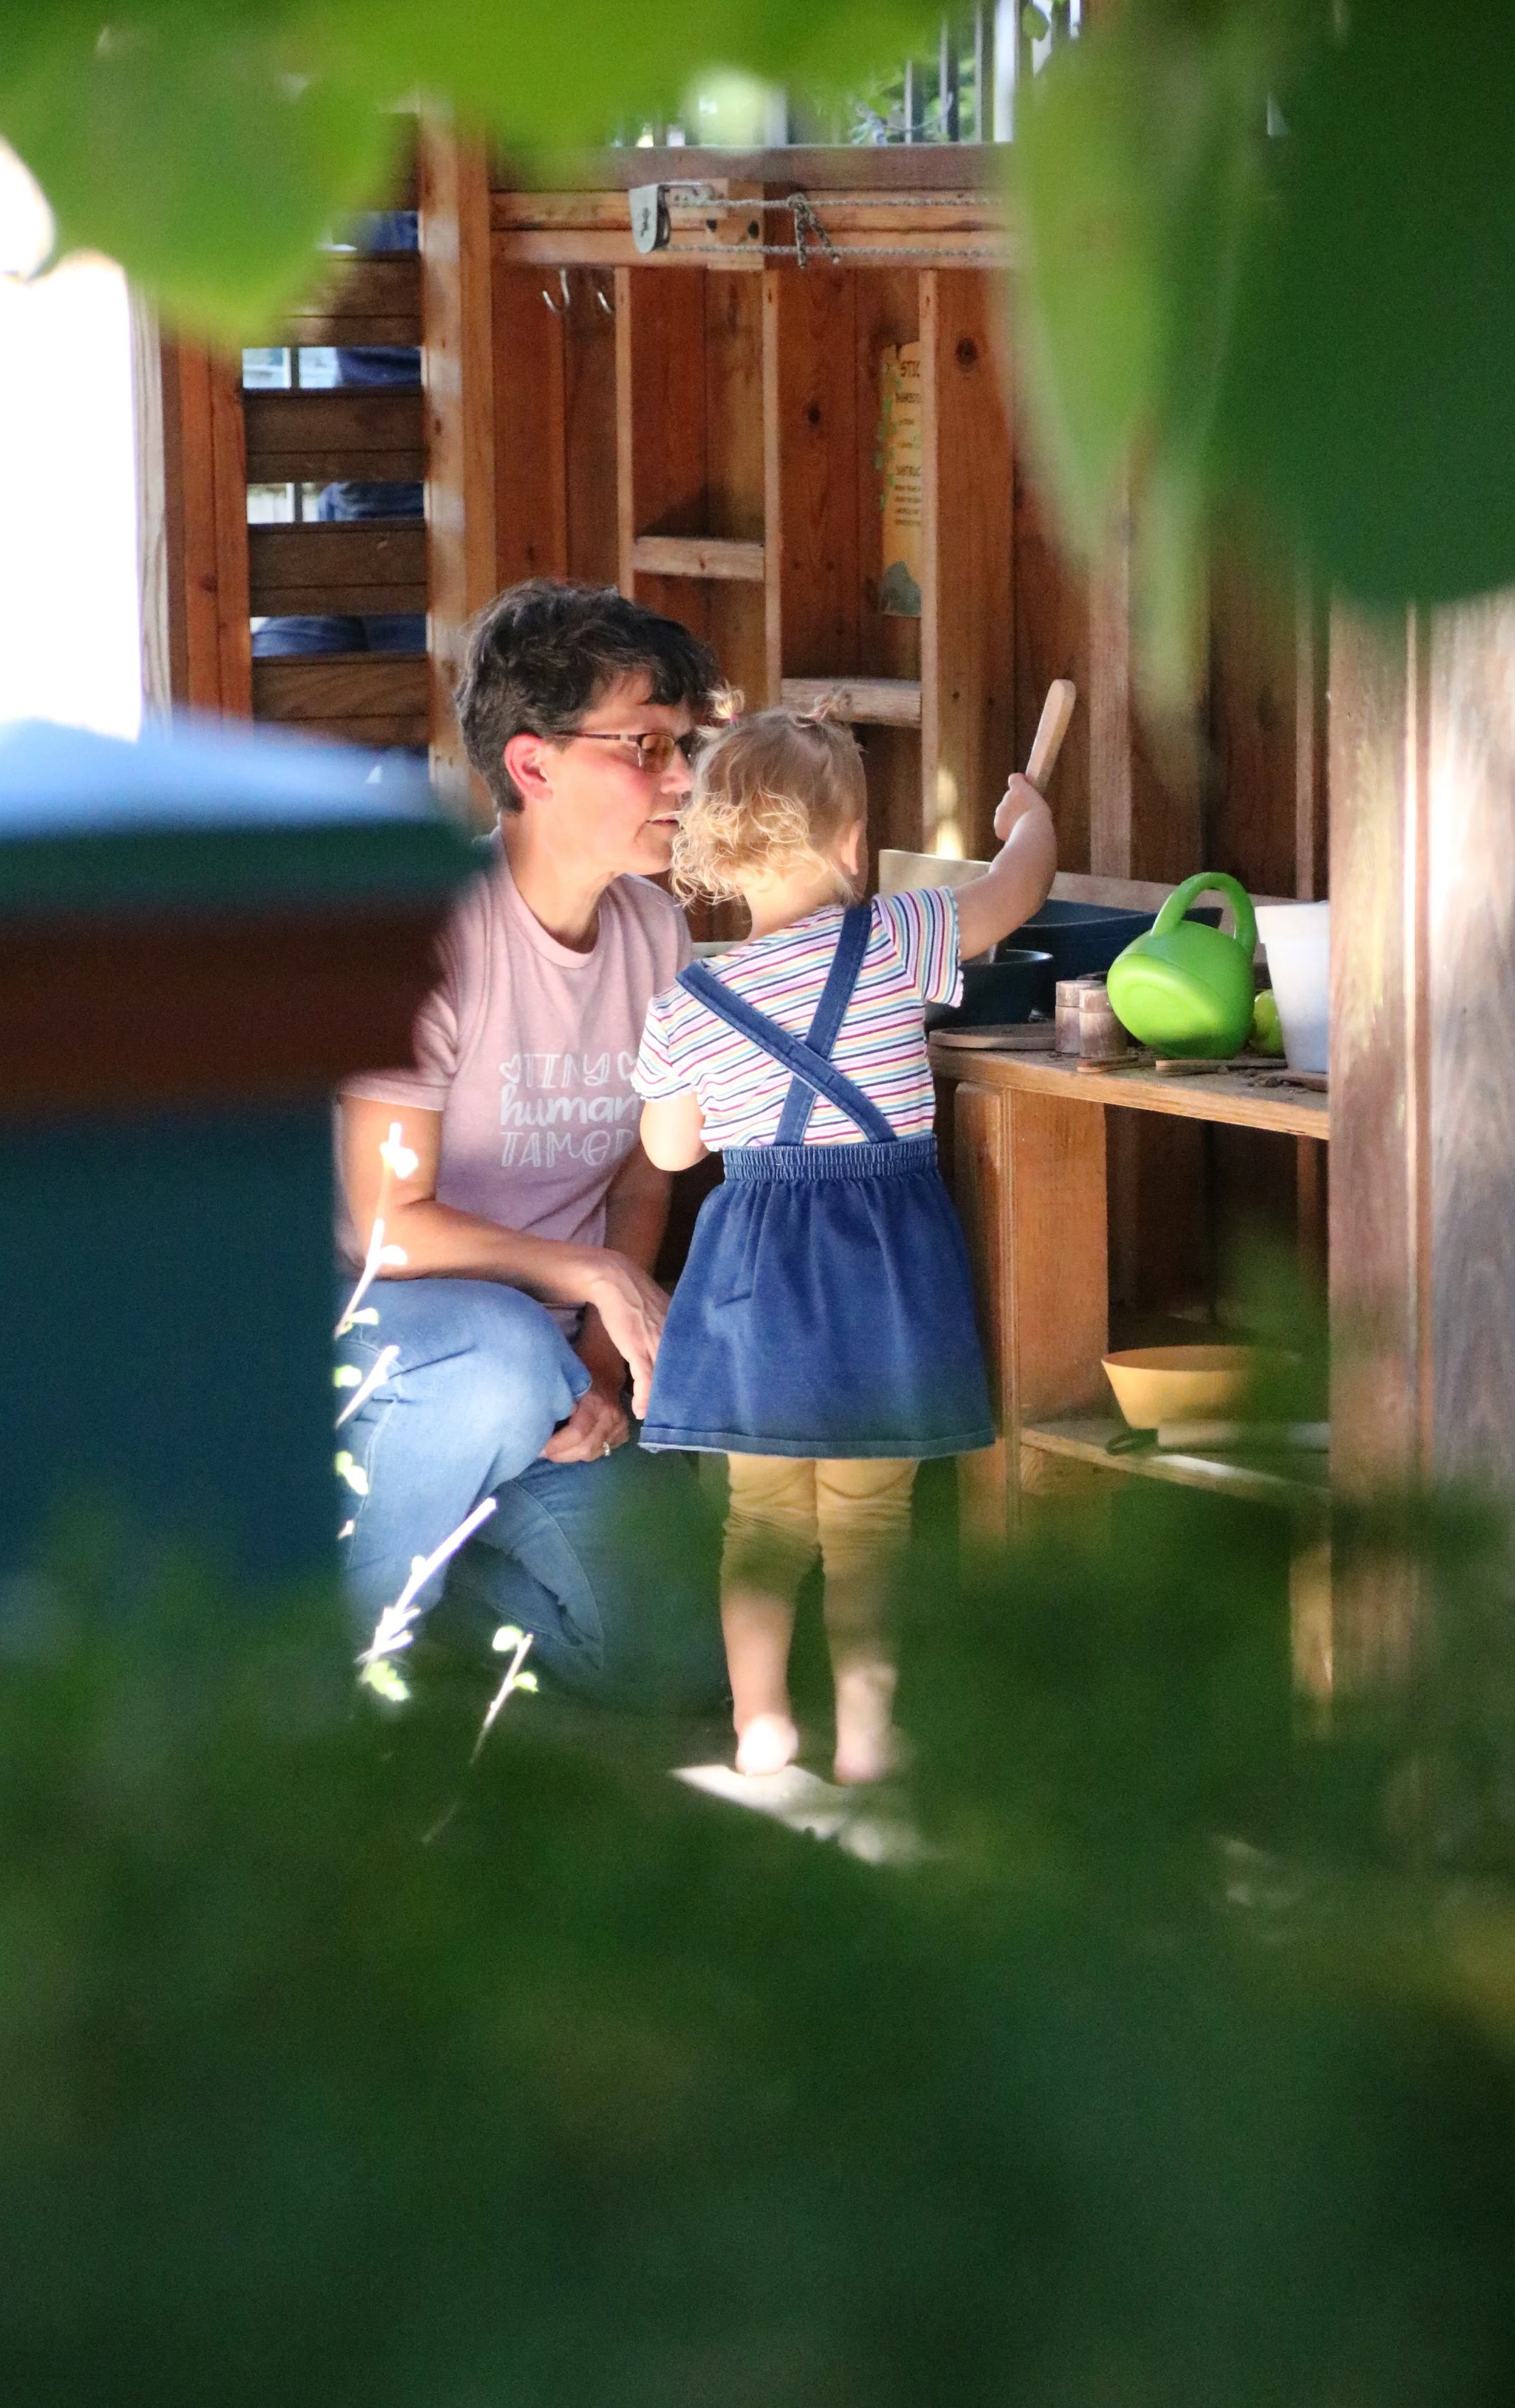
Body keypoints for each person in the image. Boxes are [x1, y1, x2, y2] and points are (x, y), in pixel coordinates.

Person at [631, 709, 1057, 1781]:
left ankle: (762, 1721)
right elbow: (1016, 895)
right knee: (871, 1513)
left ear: (720, 860)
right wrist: (1031, 821)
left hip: (752, 1277)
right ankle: (869, 1733)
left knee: (760, 1517)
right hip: (880, 1268)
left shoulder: (688, 1000)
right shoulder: (898, 935)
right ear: (853, 845)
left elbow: (672, 1146)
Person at [334, 581, 728, 1708]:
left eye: (685, 745)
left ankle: (434, 1586)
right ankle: (311, 1666)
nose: (684, 779)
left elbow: (645, 1170)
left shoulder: (659, 933)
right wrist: (593, 1279)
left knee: (672, 1658)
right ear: (533, 764)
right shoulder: (430, 934)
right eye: (646, 745)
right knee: (499, 1360)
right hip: (390, 1357)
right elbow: (383, 1226)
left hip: (549, 1372)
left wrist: (604, 1366)